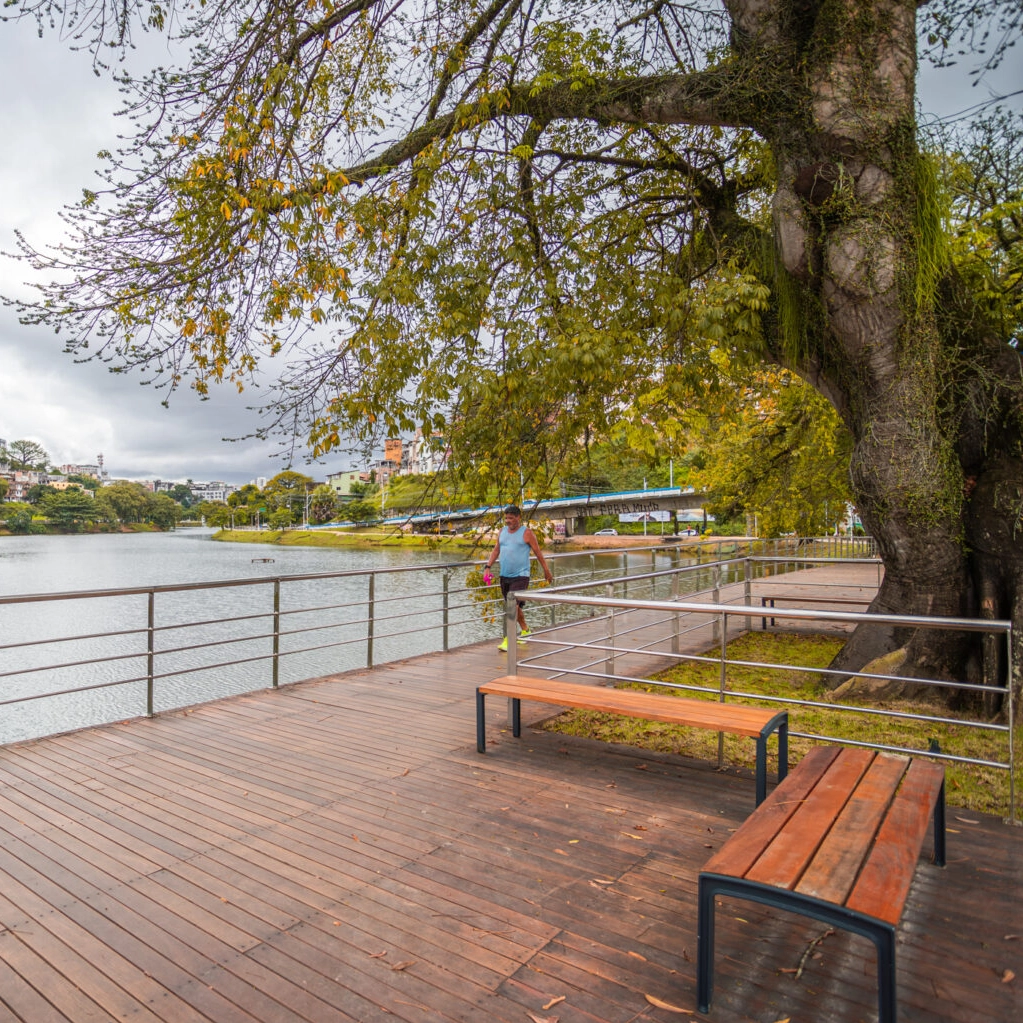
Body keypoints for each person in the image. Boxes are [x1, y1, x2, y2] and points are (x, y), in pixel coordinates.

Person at [484, 504, 553, 651]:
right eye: (506, 518)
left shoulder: (526, 533)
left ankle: (509, 640)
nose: (508, 521)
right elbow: (496, 549)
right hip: (505, 575)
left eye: (511, 518)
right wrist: (488, 567)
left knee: (512, 607)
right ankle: (526, 630)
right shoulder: (502, 531)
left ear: (518, 518)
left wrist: (546, 570)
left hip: (521, 575)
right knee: (516, 608)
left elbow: (538, 552)